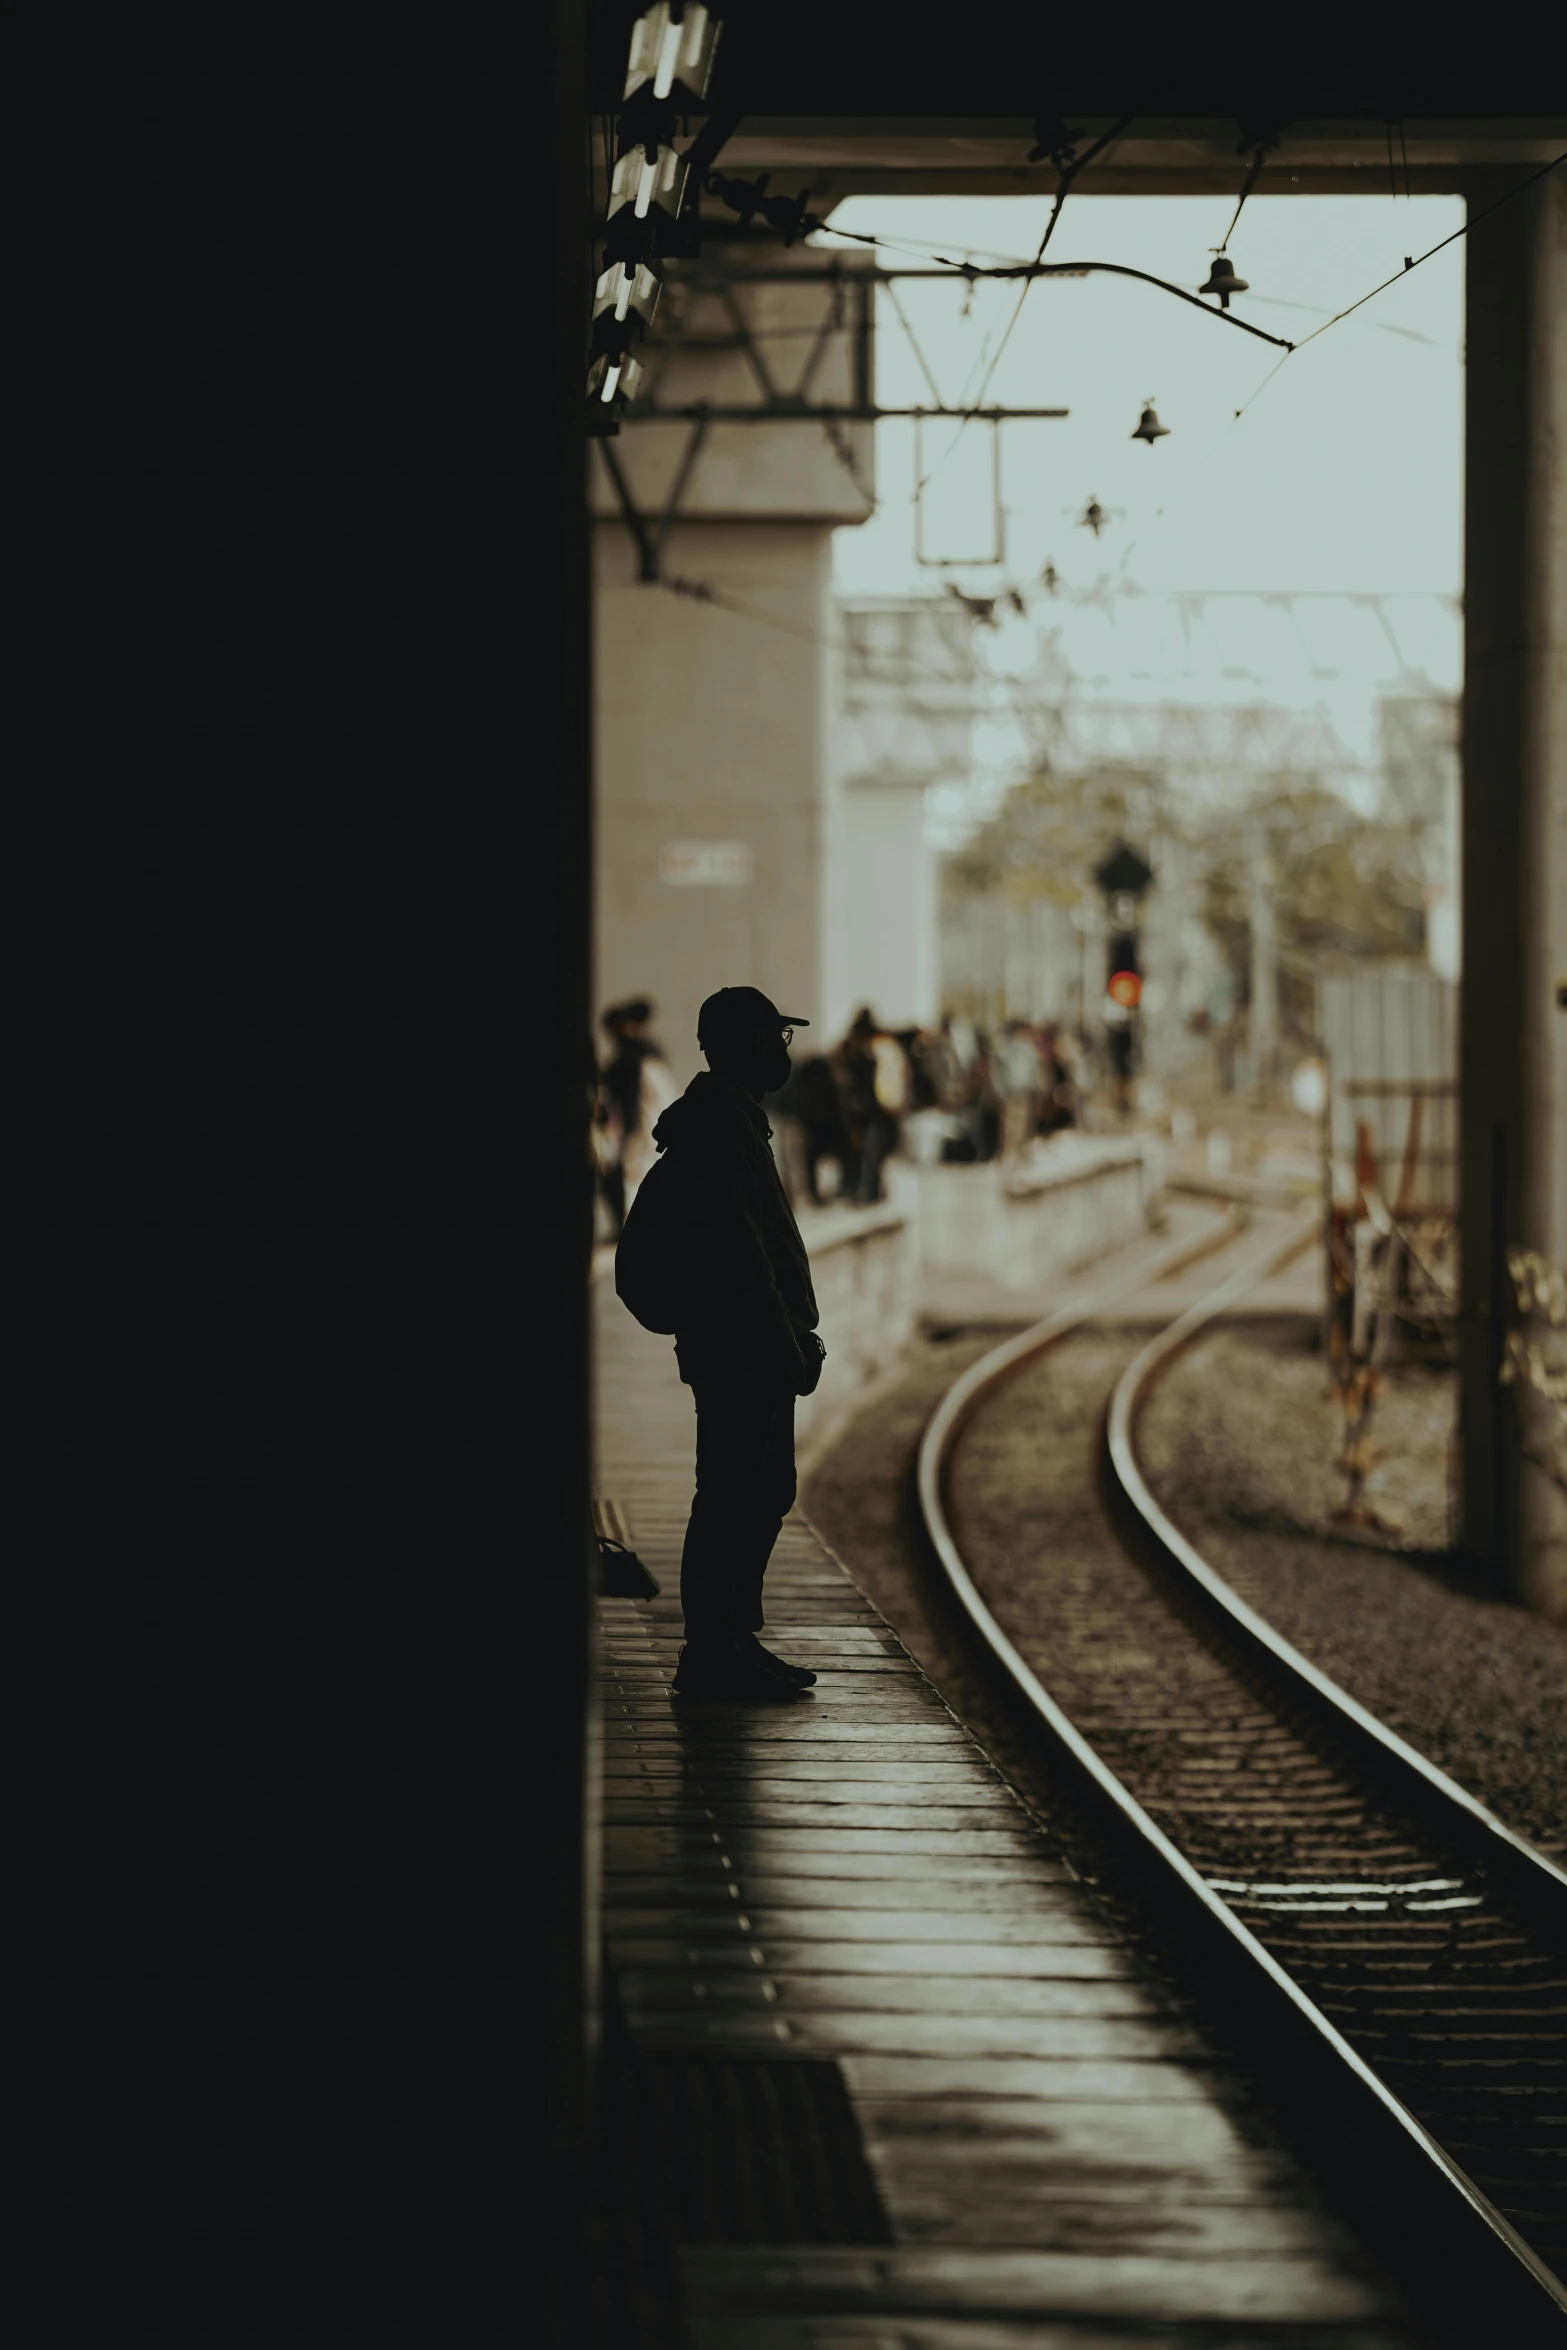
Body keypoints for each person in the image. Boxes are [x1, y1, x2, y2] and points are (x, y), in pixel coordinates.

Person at [627, 985, 828, 1700]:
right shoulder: (722, 1131)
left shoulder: (732, 1121)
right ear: (742, 1044)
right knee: (732, 1496)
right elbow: (746, 1258)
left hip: (746, 1345)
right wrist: (786, 1344)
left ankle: (731, 1639)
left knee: (757, 1490)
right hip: (741, 1348)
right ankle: (712, 1650)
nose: (782, 1051)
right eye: (774, 1038)